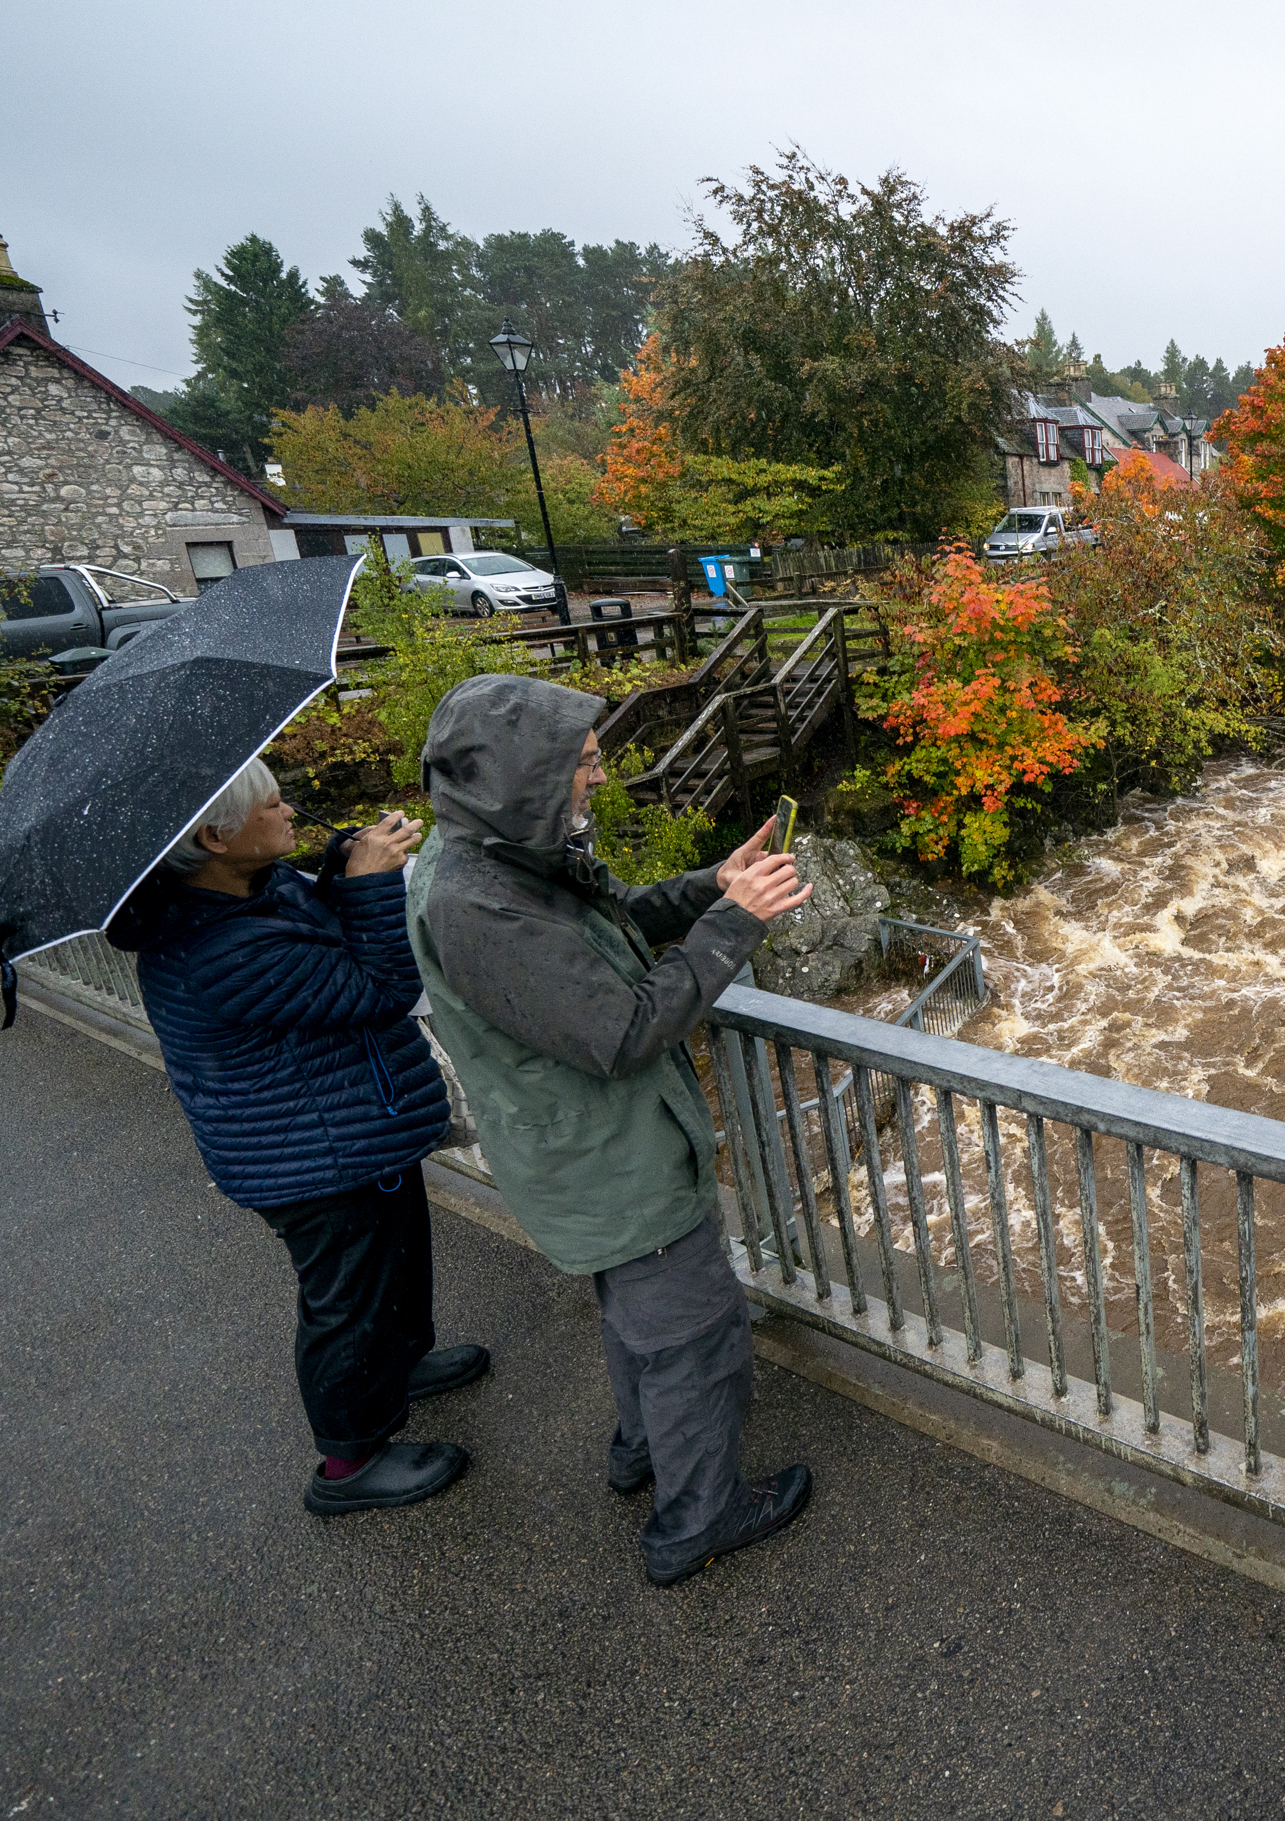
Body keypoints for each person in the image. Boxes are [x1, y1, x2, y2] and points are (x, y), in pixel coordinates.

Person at [406, 672, 816, 1587]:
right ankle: (698, 1520)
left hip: (584, 1155)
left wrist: (715, 882)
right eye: (583, 764)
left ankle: (644, 1450)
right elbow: (622, 1029)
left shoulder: (492, 853)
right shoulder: (478, 902)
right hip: (610, 1163)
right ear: (523, 776)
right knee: (694, 1338)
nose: (598, 777)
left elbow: (611, 924)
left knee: (639, 1321)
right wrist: (732, 925)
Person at [109, 756, 485, 1517]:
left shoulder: (241, 892)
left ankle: (399, 1368)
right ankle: (349, 1462)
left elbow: (315, 925)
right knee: (346, 1305)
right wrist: (376, 884)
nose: (291, 810)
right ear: (217, 838)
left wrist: (337, 861)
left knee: (396, 1267)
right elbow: (379, 989)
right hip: (315, 1159)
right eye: (274, 805)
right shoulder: (218, 949)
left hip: (345, 1131)